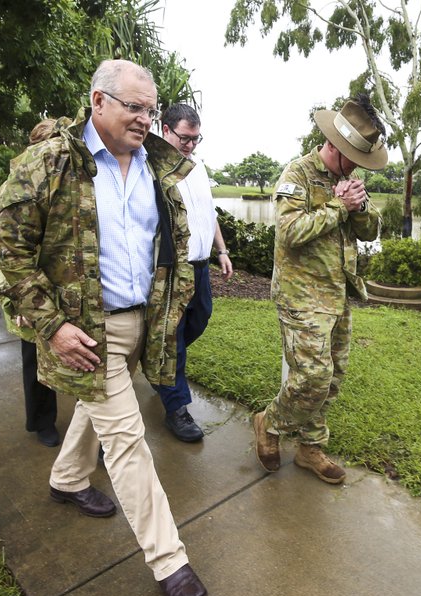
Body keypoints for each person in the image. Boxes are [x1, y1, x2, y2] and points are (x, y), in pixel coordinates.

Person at [0, 59, 207, 596]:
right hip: (86, 328)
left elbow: (169, 249)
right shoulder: (49, 164)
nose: (144, 119)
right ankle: (169, 560)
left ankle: (66, 479)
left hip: (141, 321)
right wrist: (52, 325)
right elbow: (7, 253)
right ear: (98, 101)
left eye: (150, 110)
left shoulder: (160, 167)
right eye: (134, 107)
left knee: (101, 408)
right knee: (128, 440)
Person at [254, 94, 386, 485]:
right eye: (356, 160)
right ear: (336, 148)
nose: (360, 169)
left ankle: (311, 448)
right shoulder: (297, 175)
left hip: (337, 295)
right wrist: (339, 207)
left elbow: (371, 230)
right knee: (310, 377)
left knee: (331, 379)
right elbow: (290, 233)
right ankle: (269, 423)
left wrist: (360, 209)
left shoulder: (348, 182)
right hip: (301, 297)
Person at [0, 118, 69, 447]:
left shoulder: (75, 185)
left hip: (72, 290)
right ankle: (41, 421)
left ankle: (99, 437)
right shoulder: (16, 188)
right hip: (32, 289)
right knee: (36, 359)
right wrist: (19, 300)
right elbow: (0, 251)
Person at [155, 104, 233, 442]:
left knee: (199, 320)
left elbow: (208, 212)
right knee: (174, 338)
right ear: (166, 129)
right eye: (186, 138)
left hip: (200, 267)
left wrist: (222, 250)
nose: (190, 145)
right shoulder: (153, 169)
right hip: (174, 269)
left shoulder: (197, 167)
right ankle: (177, 408)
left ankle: (159, 364)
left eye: (196, 139)